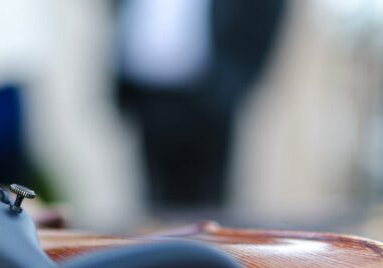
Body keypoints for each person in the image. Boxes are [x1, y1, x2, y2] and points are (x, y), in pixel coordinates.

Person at [115, 0, 287, 209]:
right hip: (146, 90)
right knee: (153, 198)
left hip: (208, 92)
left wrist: (233, 82)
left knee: (206, 204)